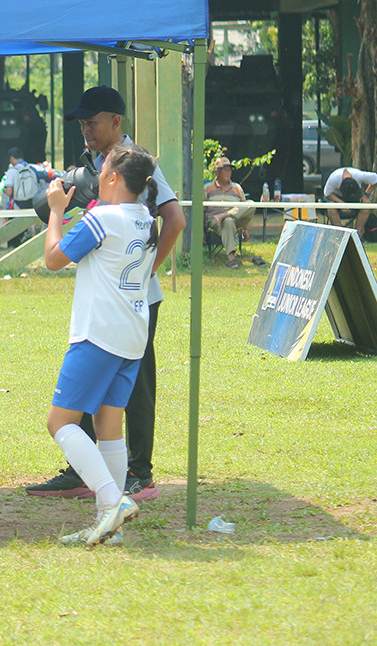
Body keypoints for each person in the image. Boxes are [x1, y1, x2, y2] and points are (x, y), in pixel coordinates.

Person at [27, 85, 186, 501]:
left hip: (133, 300)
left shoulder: (135, 164)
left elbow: (175, 218)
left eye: (92, 122)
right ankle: (87, 472)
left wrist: (146, 270)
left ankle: (140, 473)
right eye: (81, 123)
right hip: (113, 298)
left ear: (116, 121)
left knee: (135, 387)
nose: (86, 130)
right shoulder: (100, 165)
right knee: (103, 394)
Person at [43, 144, 159, 546]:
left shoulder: (102, 219)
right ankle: (107, 525)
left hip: (97, 334)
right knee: (108, 426)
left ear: (112, 178)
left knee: (59, 422)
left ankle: (113, 500)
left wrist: (57, 211)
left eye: (103, 169)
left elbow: (54, 259)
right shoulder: (146, 216)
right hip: (131, 335)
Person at [204, 156, 261, 269]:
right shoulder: (207, 188)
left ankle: (224, 215)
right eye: (225, 170)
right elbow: (201, 210)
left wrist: (245, 229)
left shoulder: (237, 188)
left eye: (229, 170)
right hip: (215, 222)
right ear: (217, 172)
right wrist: (202, 231)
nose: (228, 172)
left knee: (251, 203)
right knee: (228, 221)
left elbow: (244, 209)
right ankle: (231, 259)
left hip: (236, 220)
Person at [323, 167, 377, 237]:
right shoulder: (334, 178)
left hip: (356, 197)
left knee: (366, 205)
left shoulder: (360, 175)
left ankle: (358, 234)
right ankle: (339, 234)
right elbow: (327, 194)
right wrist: (341, 203)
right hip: (338, 198)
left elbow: (375, 179)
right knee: (331, 207)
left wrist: (366, 195)